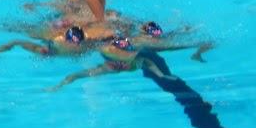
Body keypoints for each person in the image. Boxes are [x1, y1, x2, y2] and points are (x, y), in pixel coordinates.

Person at [47, 33, 212, 91]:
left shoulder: (109, 63)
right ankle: (195, 52)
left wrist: (58, 86)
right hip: (131, 45)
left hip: (119, 43)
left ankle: (195, 51)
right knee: (205, 41)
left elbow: (76, 75)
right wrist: (162, 76)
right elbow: (146, 61)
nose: (120, 64)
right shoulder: (128, 63)